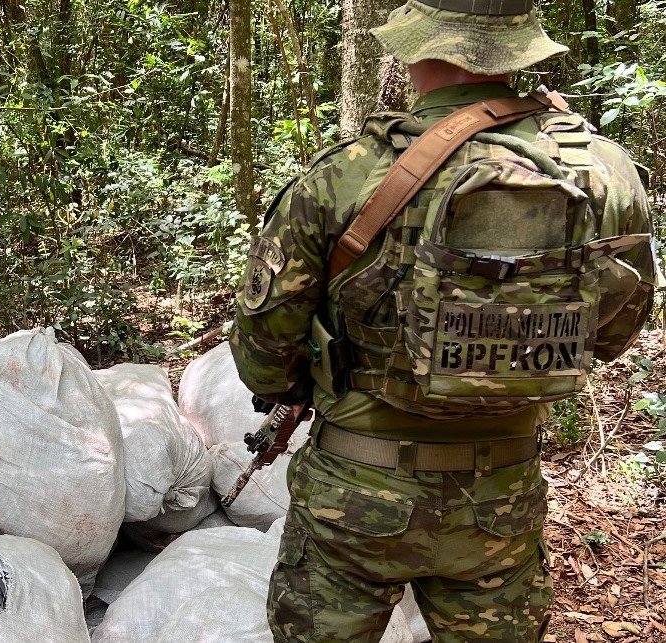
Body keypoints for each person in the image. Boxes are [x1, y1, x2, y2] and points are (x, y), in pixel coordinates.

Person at [229, 1, 659, 642]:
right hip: (500, 502)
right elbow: (615, 330)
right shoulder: (599, 169)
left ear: (417, 45)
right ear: (517, 49)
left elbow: (264, 352)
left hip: (354, 497)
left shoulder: (344, 175)